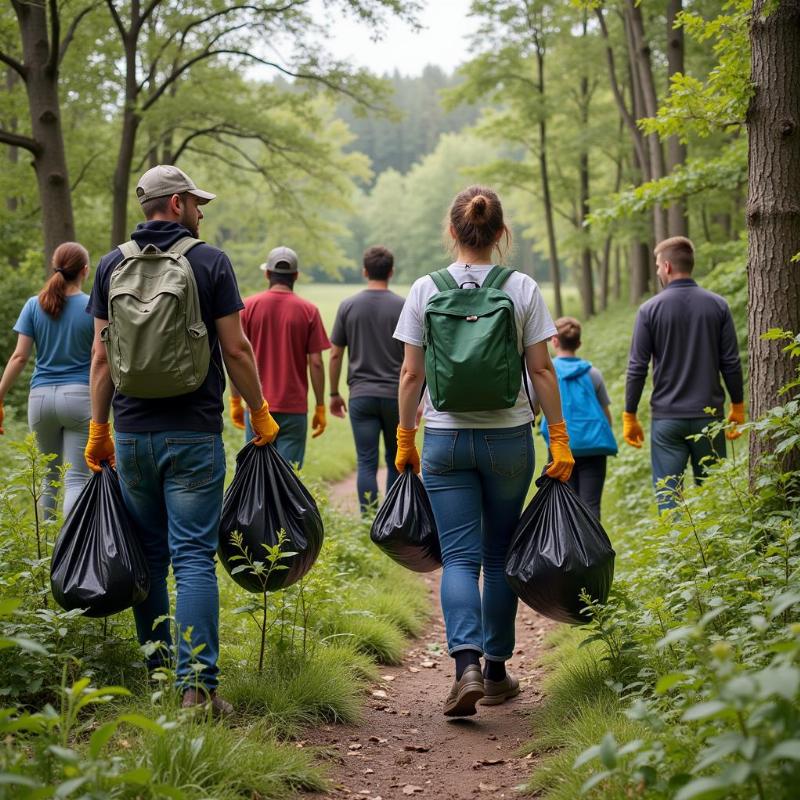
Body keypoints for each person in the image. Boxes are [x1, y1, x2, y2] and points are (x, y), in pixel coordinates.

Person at [85, 164, 279, 714]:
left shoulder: (109, 265)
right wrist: (260, 415)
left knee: (148, 557)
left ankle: (158, 677)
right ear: (175, 205)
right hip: (192, 435)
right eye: (196, 203)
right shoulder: (209, 261)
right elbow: (236, 350)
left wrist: (101, 431)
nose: (200, 211)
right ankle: (196, 688)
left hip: (133, 437)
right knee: (193, 557)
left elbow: (100, 357)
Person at [393, 185, 574, 717]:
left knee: (459, 557)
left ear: (453, 232)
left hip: (445, 438)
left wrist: (406, 438)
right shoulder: (521, 288)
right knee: (497, 556)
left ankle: (465, 665)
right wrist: (558, 437)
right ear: (501, 234)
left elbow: (410, 373)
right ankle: (496, 673)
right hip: (508, 437)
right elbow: (541, 369)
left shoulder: (425, 288)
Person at [623, 235, 745, 512]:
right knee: (714, 497)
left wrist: (630, 413)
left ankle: (674, 556)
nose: (656, 271)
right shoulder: (718, 306)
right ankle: (716, 552)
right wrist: (737, 405)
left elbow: (637, 367)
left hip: (668, 420)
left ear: (666, 267)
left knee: (669, 496)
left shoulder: (649, 310)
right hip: (709, 418)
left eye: (656, 266)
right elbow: (731, 362)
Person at [0, 243, 94, 517]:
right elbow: (100, 358)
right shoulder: (92, 307)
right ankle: (71, 551)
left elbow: (19, 357)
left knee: (48, 479)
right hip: (79, 397)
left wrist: (1, 396)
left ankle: (48, 553)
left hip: (40, 400)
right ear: (84, 271)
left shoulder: (33, 305)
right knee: (76, 478)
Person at [230, 246, 330, 468]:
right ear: (296, 275)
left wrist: (235, 400)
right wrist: (321, 405)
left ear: (267, 274)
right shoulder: (309, 311)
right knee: (288, 482)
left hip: (257, 406)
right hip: (294, 409)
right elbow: (315, 362)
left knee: (256, 476)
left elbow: (235, 354)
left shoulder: (247, 308)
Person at [328, 246, 406, 512]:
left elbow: (336, 355)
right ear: (391, 272)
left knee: (366, 462)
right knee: (397, 458)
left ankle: (368, 520)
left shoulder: (348, 306)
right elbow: (416, 356)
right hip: (396, 396)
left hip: (361, 395)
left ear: (364, 271)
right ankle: (395, 520)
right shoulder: (403, 306)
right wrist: (418, 399)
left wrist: (333, 394)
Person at [541, 316, 616, 520]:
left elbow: (536, 407)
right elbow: (605, 414)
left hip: (561, 445)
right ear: (579, 343)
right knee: (591, 504)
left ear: (554, 341)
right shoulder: (593, 374)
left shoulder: (547, 373)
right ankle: (593, 551)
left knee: (565, 503)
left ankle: (569, 551)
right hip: (594, 447)